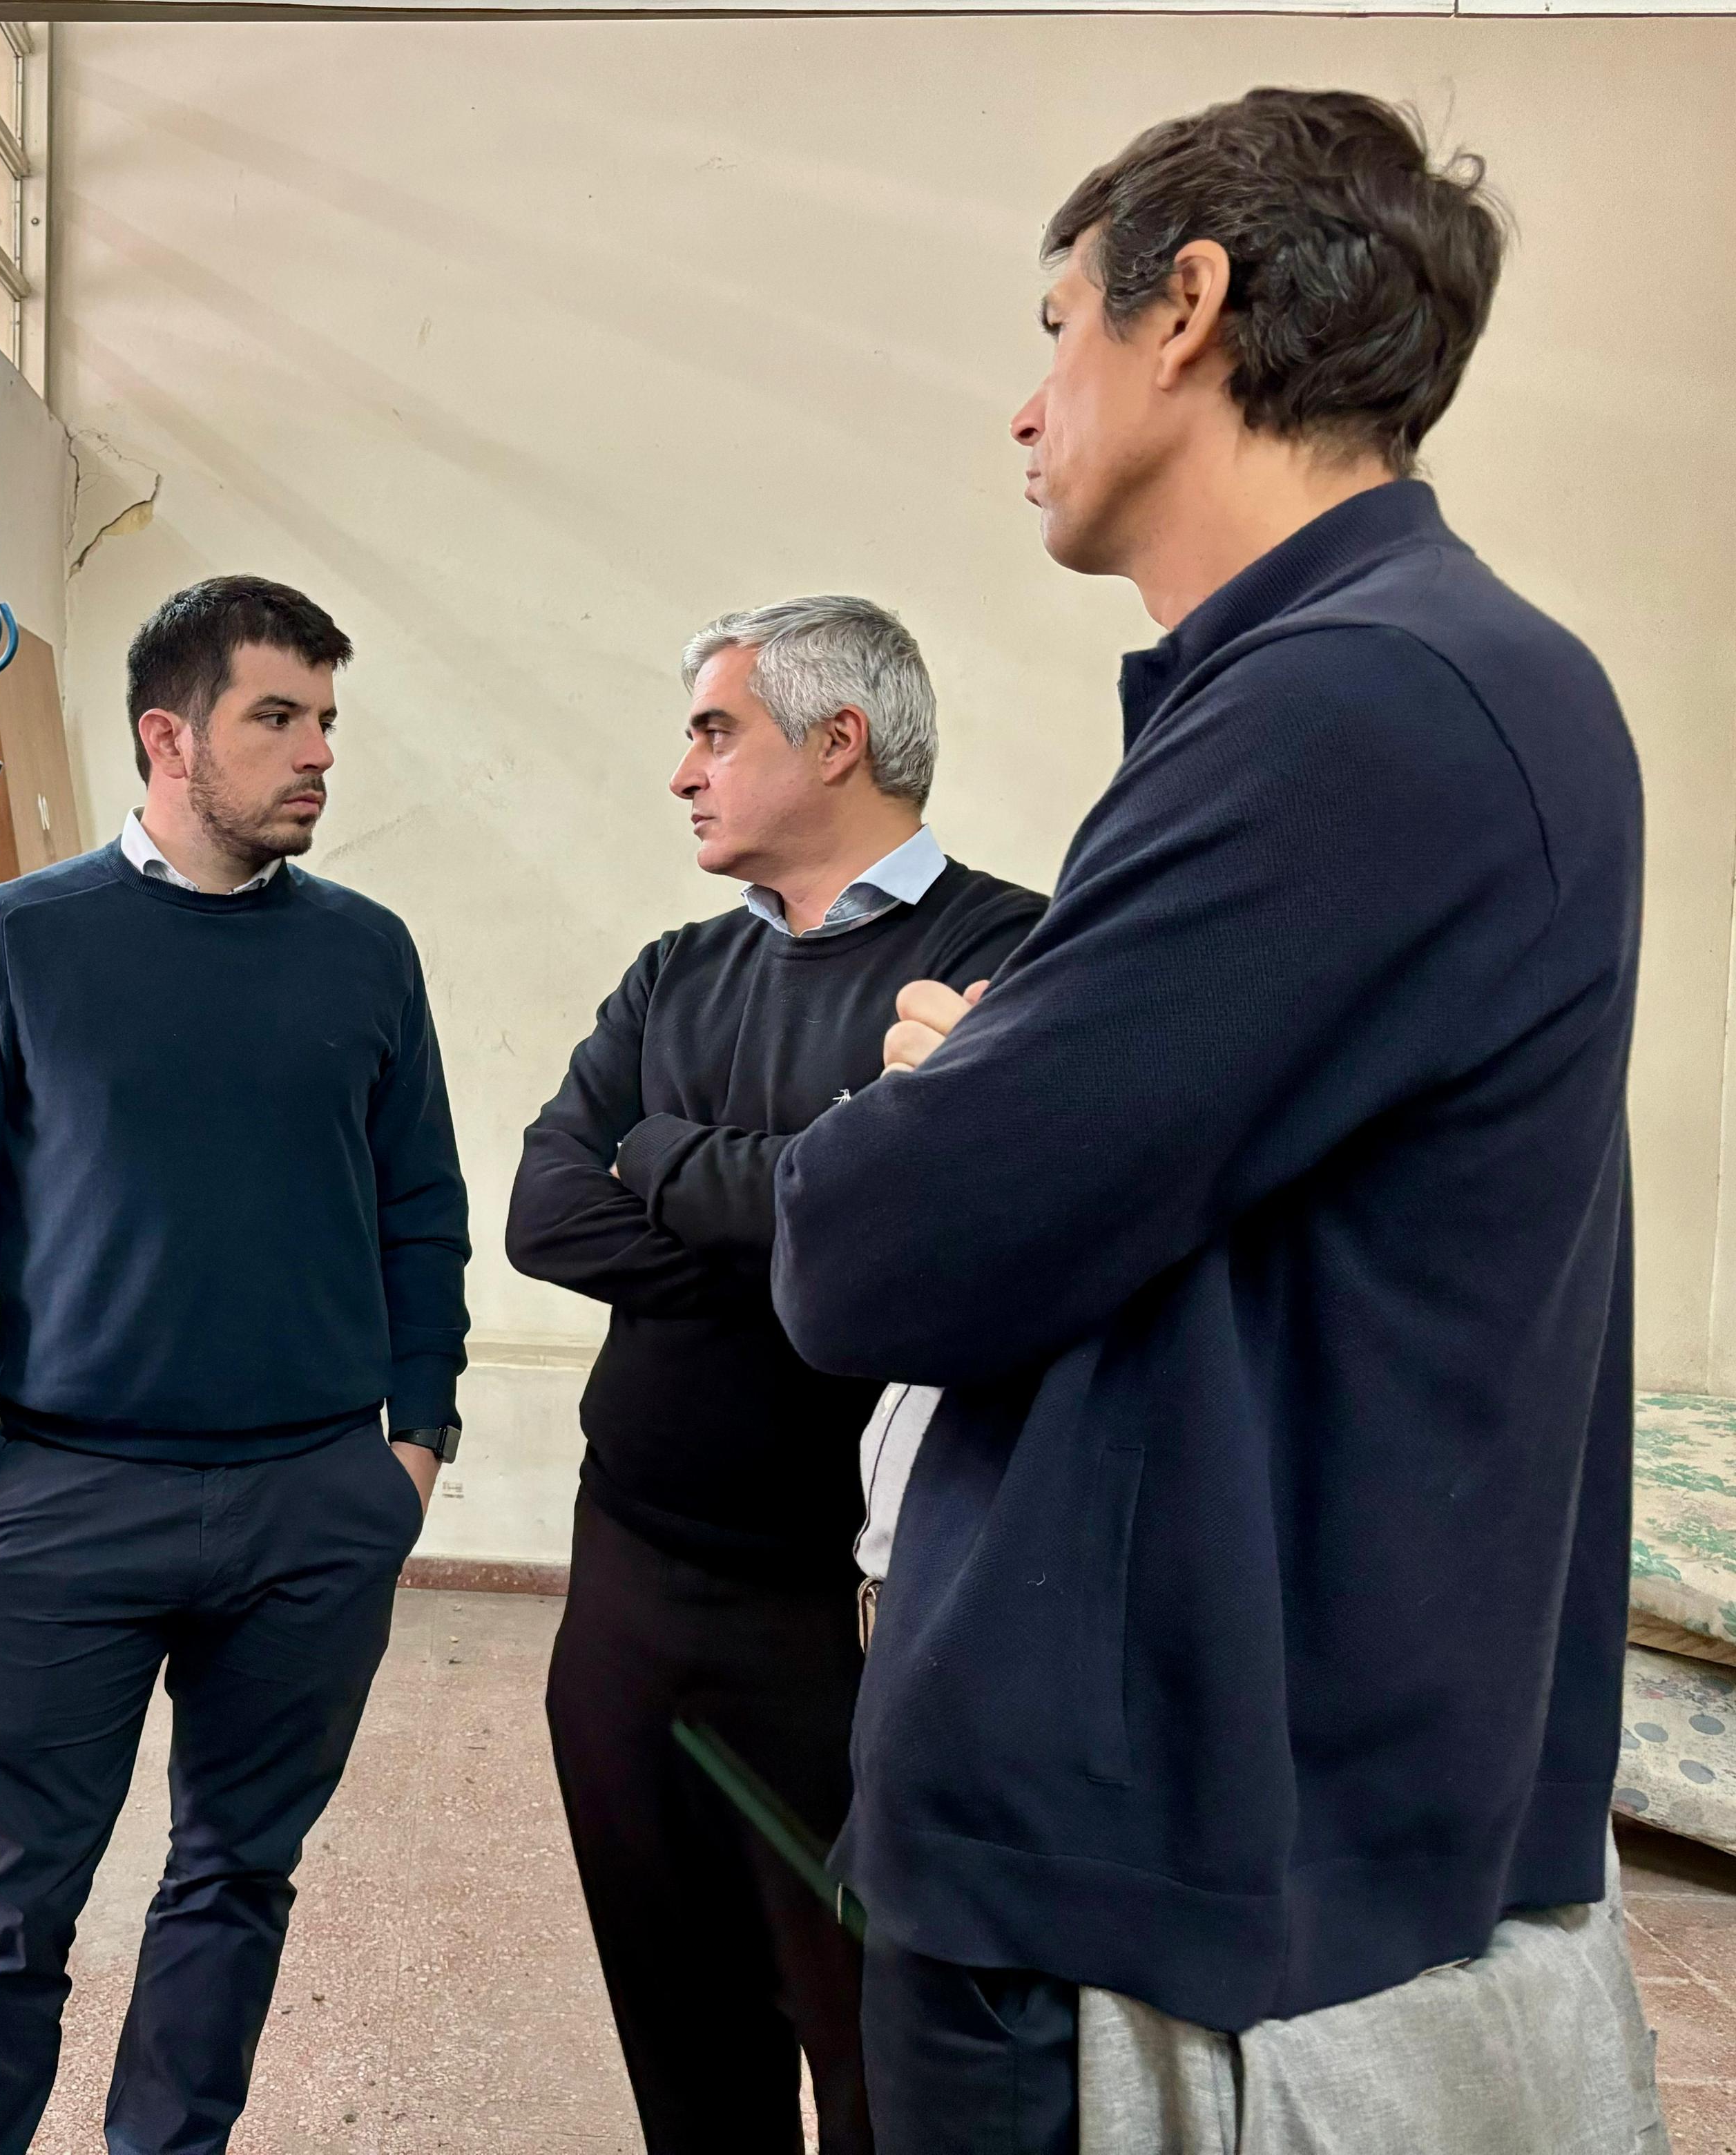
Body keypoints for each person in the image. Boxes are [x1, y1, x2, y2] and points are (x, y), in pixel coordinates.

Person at [765, 92, 1645, 2152]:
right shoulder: (1410, 682)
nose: (1022, 408)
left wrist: (927, 1091)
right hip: (1211, 1782)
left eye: (1053, 325)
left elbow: (875, 1253)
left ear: (1190, 310)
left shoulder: (1355, 707)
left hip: (1133, 1855)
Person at [0, 575, 469, 2155]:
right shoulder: (15, 942)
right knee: (11, 1900)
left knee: (235, 1879)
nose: (316, 753)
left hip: (312, 1500)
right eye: (277, 717)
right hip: (66, 1492)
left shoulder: (366, 954)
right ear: (167, 735)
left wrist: (414, 1443)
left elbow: (423, 1203)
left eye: (327, 720)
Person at [508, 596, 1043, 2155]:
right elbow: (547, 1214)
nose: (681, 772)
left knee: (877, 2045)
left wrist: (667, 1163)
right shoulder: (674, 971)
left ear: (836, 739)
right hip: (626, 1587)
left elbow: (930, 1249)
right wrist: (809, 1202)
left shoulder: (1010, 952)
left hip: (850, 1620)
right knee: (680, 2034)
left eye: (713, 730)